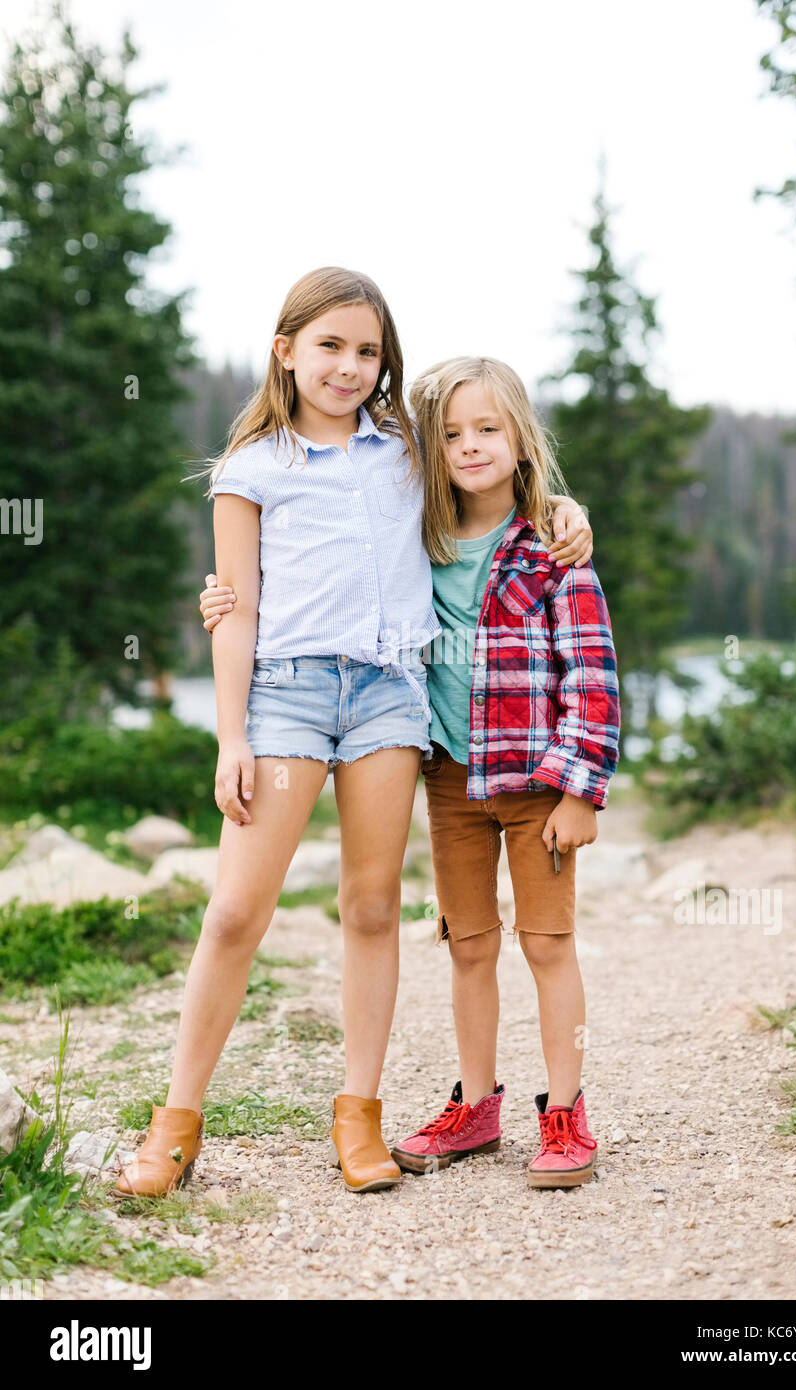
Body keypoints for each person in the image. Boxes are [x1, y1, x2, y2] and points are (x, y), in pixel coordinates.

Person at [115, 268, 592, 1198]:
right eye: (330, 345)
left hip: (389, 699)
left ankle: (359, 1114)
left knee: (373, 908)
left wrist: (565, 512)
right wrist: (230, 736)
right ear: (285, 349)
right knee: (236, 911)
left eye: (367, 350)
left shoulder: (407, 454)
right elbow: (235, 609)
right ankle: (175, 1121)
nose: (349, 366)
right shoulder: (250, 469)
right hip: (287, 699)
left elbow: (494, 474)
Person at [388, 356, 621, 1188]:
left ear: (522, 438)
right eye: (451, 433)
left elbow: (592, 670)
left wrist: (580, 788)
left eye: (488, 428)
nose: (469, 445)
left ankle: (565, 1112)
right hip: (451, 780)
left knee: (548, 945)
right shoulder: (415, 536)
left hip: (535, 785)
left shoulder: (553, 546)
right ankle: (477, 1106)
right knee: (469, 947)